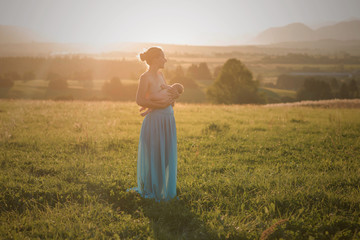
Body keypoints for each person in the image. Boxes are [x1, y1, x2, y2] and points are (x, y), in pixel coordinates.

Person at [128, 47, 181, 201]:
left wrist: (172, 99)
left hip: (168, 120)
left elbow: (166, 93)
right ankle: (153, 190)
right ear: (155, 59)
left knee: (166, 156)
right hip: (155, 122)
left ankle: (163, 189)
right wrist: (160, 106)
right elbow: (139, 100)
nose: (165, 60)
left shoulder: (160, 75)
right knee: (155, 157)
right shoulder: (145, 77)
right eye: (162, 57)